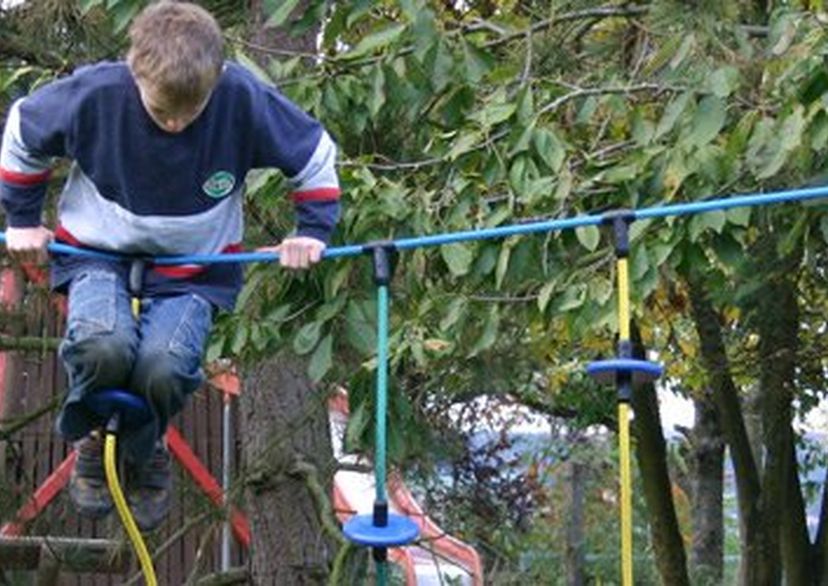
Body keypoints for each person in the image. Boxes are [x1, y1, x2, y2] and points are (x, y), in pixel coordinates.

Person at [0, 1, 340, 531]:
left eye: (191, 110)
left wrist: (311, 233)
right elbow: (23, 132)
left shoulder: (240, 98)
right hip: (97, 253)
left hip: (194, 268)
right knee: (101, 342)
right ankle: (93, 436)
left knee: (164, 364)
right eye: (163, 112)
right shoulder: (97, 93)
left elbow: (314, 153)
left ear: (216, 79)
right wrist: (21, 220)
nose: (177, 123)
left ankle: (146, 441)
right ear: (136, 73)